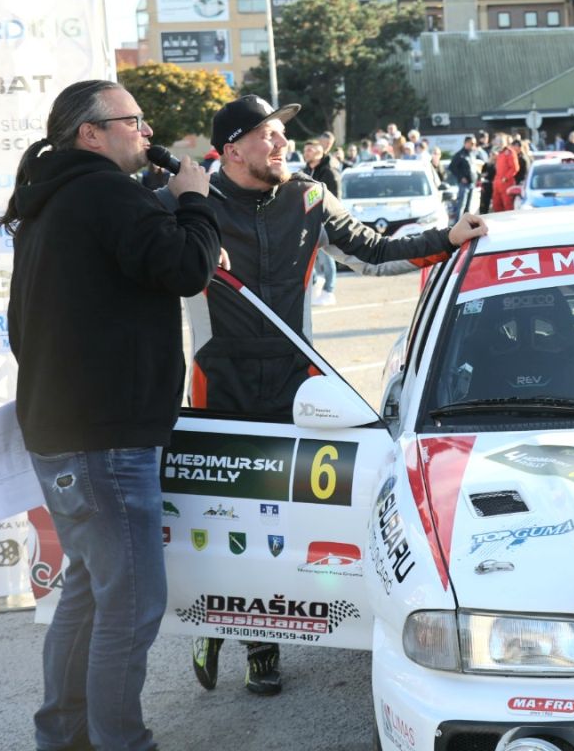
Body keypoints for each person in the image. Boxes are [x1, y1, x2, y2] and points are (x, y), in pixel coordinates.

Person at [168, 95, 486, 698]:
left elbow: (371, 249)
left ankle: (265, 627)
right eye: (268, 135)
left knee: (287, 519)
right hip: (219, 382)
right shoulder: (192, 202)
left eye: (281, 134)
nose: (283, 143)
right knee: (220, 519)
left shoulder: (308, 195)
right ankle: (225, 626)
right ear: (231, 149)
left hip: (296, 382)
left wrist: (447, 237)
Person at [3, 80, 220, 751]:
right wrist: (194, 204)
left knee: (89, 594)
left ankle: (63, 735)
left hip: (66, 435)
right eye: (133, 121)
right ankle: (121, 742)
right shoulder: (102, 192)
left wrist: (171, 212)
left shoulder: (58, 198)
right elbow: (186, 267)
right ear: (91, 134)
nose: (147, 133)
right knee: (127, 608)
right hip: (105, 441)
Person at [302, 140, 341, 306]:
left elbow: (334, 199)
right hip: (309, 221)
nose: (307, 152)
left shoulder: (329, 172)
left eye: (310, 149)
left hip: (325, 221)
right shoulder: (307, 171)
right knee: (311, 256)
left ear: (320, 151)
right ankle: (316, 283)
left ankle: (329, 291)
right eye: (305, 150)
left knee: (327, 257)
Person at [448, 135, 478, 215]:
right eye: (472, 143)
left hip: (472, 184)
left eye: (474, 143)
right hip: (463, 185)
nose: (473, 145)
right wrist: (461, 177)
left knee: (468, 208)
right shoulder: (459, 154)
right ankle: (457, 225)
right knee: (461, 206)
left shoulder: (472, 154)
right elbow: (451, 167)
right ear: (466, 143)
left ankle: (466, 225)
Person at [492, 133, 519, 211]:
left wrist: (505, 178)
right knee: (496, 206)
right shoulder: (499, 153)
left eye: (501, 140)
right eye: (497, 140)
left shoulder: (509, 152)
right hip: (497, 183)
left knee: (508, 206)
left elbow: (515, 168)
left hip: (506, 183)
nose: (499, 142)